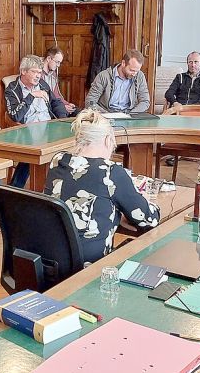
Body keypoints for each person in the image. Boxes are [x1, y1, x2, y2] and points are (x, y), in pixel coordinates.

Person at [43, 109, 160, 263]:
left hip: (50, 257)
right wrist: (141, 203)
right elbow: (149, 219)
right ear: (107, 140)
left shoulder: (58, 160)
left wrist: (115, 213)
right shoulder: (111, 172)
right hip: (90, 265)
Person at [4, 55, 69, 188]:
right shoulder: (12, 89)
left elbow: (56, 102)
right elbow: (15, 115)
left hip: (49, 128)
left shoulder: (43, 85)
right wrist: (31, 96)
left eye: (39, 72)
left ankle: (59, 186)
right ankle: (17, 188)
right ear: (23, 71)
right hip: (27, 130)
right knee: (35, 151)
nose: (38, 76)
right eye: (34, 72)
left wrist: (63, 120)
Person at [84, 49, 151, 113]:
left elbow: (145, 101)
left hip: (129, 115)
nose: (134, 74)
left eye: (137, 71)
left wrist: (131, 114)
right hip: (105, 115)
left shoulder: (140, 76)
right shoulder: (103, 76)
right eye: (132, 70)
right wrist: (105, 114)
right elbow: (90, 101)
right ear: (123, 63)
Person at [41, 46, 78, 115]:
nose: (58, 65)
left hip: (56, 103)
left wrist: (67, 104)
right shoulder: (38, 74)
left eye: (60, 63)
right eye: (57, 62)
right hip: (47, 105)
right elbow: (45, 99)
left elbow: (56, 95)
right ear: (49, 58)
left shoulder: (53, 74)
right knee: (62, 112)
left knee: (77, 111)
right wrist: (62, 106)